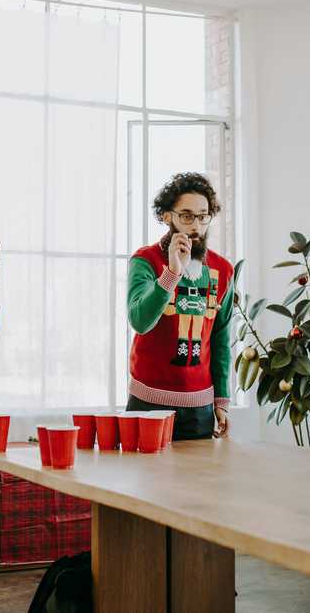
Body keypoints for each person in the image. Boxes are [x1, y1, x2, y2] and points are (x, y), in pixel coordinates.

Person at [126, 172, 233, 439]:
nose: (196, 226)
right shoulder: (145, 261)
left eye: (203, 216)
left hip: (200, 409)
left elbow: (221, 340)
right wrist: (172, 273)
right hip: (148, 404)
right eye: (186, 216)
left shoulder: (223, 270)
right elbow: (140, 320)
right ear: (166, 216)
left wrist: (221, 400)